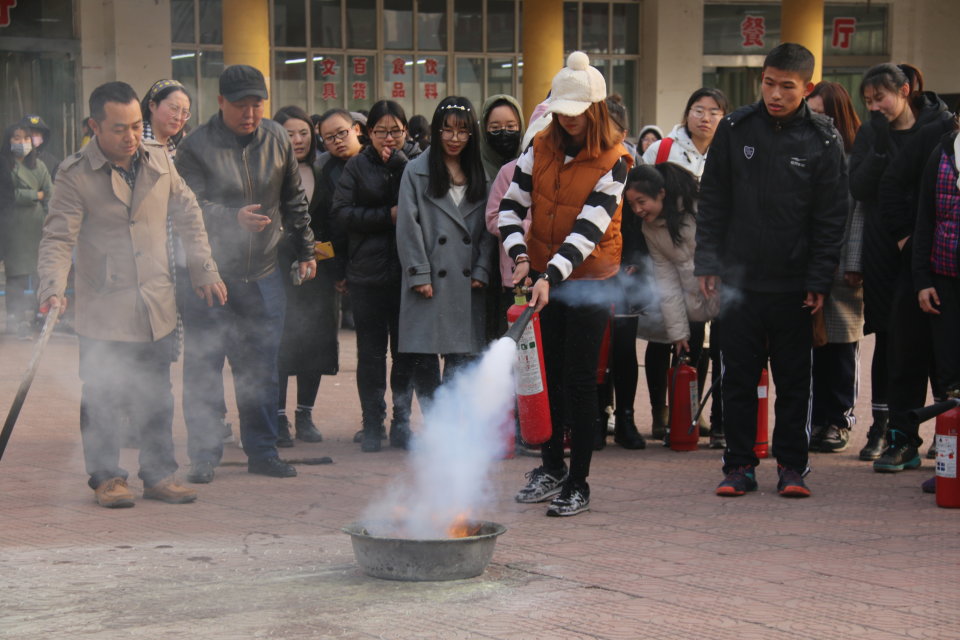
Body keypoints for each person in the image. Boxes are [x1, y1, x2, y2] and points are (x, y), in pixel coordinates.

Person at [36, 81, 225, 507]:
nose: (131, 136)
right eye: (119, 128)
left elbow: (190, 213)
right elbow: (58, 238)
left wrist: (203, 267)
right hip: (104, 303)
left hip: (155, 299)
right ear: (94, 126)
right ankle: (107, 478)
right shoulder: (75, 174)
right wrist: (53, 287)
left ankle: (159, 474)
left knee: (157, 392)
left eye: (137, 126)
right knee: (103, 392)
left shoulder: (159, 160)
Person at [695, 43, 847, 498]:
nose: (775, 94)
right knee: (738, 377)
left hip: (794, 286)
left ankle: (792, 467)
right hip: (739, 282)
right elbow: (713, 201)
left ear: (808, 87)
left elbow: (830, 218)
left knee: (795, 381)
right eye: (769, 83)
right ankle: (739, 465)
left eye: (787, 86)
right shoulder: (735, 127)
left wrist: (820, 279)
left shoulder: (823, 139)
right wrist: (708, 262)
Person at [499, 51, 633, 517]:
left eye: (577, 114)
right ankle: (550, 466)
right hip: (543, 276)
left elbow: (588, 231)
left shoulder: (616, 160)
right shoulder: (539, 144)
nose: (568, 121)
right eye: (561, 112)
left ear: (594, 110)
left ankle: (579, 481)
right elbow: (511, 209)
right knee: (546, 375)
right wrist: (520, 257)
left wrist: (549, 276)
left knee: (579, 380)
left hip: (589, 279)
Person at [175, 65, 317, 482]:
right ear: (220, 102)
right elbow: (186, 210)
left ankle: (262, 451)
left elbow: (294, 197)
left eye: (257, 104)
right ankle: (203, 455)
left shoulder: (277, 138)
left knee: (260, 367)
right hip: (209, 277)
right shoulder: (195, 147)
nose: (250, 113)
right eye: (241, 105)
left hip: (264, 273)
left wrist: (307, 249)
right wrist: (230, 218)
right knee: (203, 366)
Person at [849, 63, 952, 468]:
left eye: (881, 97)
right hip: (888, 250)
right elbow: (865, 187)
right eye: (868, 100)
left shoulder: (940, 126)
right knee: (894, 339)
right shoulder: (875, 132)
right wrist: (876, 151)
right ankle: (890, 431)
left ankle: (946, 430)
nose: (875, 106)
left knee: (942, 340)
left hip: (936, 251)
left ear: (905, 90)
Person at [332, 100, 434, 452]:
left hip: (408, 275)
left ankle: (401, 422)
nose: (388, 138)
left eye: (396, 131)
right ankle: (372, 422)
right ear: (368, 132)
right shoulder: (357, 167)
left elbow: (428, 206)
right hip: (368, 275)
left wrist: (403, 166)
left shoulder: (417, 165)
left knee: (406, 353)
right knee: (371, 353)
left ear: (406, 131)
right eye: (381, 131)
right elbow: (342, 214)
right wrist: (385, 217)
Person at [641, 88, 729, 442]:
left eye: (714, 112)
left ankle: (693, 409)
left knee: (700, 340)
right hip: (667, 255)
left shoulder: (731, 150)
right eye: (698, 110)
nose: (705, 118)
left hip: (711, 261)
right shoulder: (661, 149)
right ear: (686, 113)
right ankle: (662, 412)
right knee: (664, 336)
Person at [397, 96, 495, 392]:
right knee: (424, 362)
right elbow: (407, 226)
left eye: (463, 131)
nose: (455, 138)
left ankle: (451, 429)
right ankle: (434, 430)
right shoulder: (416, 171)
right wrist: (419, 274)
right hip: (428, 281)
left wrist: (481, 269)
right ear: (436, 130)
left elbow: (489, 231)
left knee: (460, 363)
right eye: (448, 130)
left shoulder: (481, 175)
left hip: (465, 284)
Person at [624, 163, 718, 435]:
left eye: (642, 202)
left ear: (661, 194)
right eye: (632, 205)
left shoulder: (697, 209)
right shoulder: (650, 228)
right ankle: (670, 416)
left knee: (708, 351)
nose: (638, 210)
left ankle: (697, 414)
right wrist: (678, 333)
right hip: (686, 295)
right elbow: (666, 281)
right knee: (681, 346)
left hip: (722, 289)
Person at [272, 105, 344, 447]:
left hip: (319, 274)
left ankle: (305, 415)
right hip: (277, 274)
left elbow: (335, 224)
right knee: (281, 344)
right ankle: (278, 417)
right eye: (288, 134)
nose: (297, 140)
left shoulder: (325, 171)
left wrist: (325, 255)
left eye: (302, 132)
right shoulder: (267, 173)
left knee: (314, 342)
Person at [804, 82, 864, 454]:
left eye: (822, 112)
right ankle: (813, 419)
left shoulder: (855, 157)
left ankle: (839, 420)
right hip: (807, 266)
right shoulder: (801, 152)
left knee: (841, 348)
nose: (815, 120)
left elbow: (859, 215)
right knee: (808, 348)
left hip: (843, 268)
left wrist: (854, 262)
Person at [913, 124, 960, 493]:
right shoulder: (943, 153)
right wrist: (922, 278)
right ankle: (951, 466)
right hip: (945, 279)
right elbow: (925, 218)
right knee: (949, 374)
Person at [599, 94, 647, 450]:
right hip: (590, 270)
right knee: (593, 348)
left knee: (624, 348)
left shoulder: (635, 166)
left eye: (609, 130)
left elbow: (644, 221)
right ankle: (598, 416)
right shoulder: (582, 161)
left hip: (626, 270)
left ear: (624, 132)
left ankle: (626, 417)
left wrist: (633, 259)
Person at [479, 94, 526, 341]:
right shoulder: (475, 165)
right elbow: (491, 216)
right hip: (482, 266)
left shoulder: (527, 165)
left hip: (515, 265)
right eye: (495, 128)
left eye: (511, 127)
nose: (504, 134)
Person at [3, 121, 53, 340]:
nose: (22, 143)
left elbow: (49, 194)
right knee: (16, 277)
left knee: (39, 273)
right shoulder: (4, 165)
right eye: (16, 138)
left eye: (25, 139)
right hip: (12, 228)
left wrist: (38, 199)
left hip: (37, 226)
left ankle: (37, 317)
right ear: (8, 141)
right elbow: (8, 196)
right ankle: (14, 319)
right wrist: (34, 195)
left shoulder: (39, 166)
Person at [19, 114, 61, 181]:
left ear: (43, 138)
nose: (32, 137)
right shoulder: (7, 160)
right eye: (29, 134)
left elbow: (56, 188)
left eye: (36, 134)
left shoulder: (53, 163)